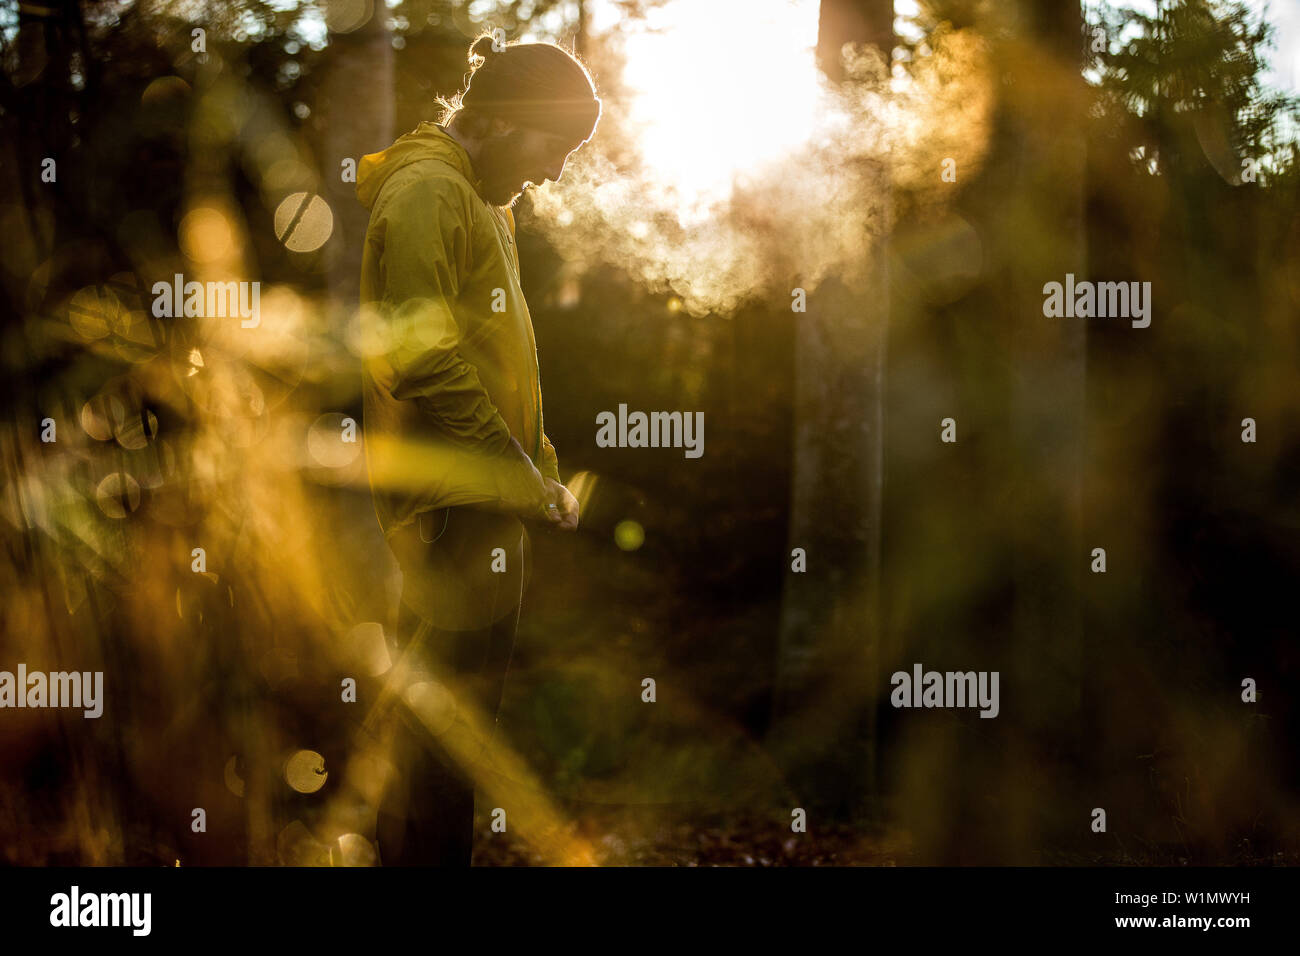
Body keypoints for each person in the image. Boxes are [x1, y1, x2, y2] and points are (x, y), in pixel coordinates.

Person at [355, 33, 600, 865]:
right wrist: (513, 469)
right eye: (553, 147)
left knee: (458, 734)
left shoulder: (482, 200)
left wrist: (544, 471)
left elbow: (500, 364)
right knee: (441, 738)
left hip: (485, 494)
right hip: (452, 503)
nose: (557, 172)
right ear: (501, 118)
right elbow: (421, 355)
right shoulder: (429, 192)